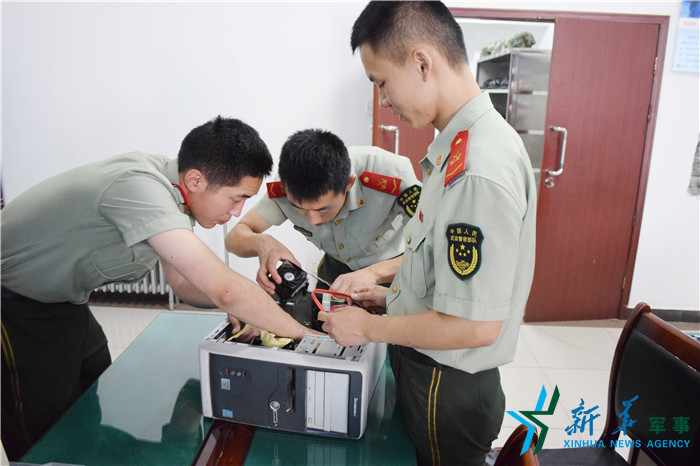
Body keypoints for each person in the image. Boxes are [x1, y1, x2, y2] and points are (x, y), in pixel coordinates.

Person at [0, 116, 313, 460]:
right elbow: (224, 289)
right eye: (236, 198)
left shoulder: (176, 196)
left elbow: (183, 284)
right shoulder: (139, 187)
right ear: (195, 179)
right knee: (45, 433)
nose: (237, 212)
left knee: (88, 396)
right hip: (14, 303)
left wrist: (249, 307)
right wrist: (309, 339)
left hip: (65, 301)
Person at [318, 2, 538, 465]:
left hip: (446, 387)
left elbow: (473, 326)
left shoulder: (476, 168)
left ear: (422, 62)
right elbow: (444, 273)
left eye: (381, 82)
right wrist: (392, 297)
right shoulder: (460, 148)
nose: (383, 99)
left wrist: (368, 327)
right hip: (431, 369)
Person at [225, 128, 421, 295]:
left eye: (323, 208)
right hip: (336, 270)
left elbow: (432, 249)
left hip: (399, 269)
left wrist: (374, 274)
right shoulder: (287, 185)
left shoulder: (391, 175)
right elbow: (234, 238)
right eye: (300, 209)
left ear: (349, 184)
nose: (313, 220)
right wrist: (263, 243)